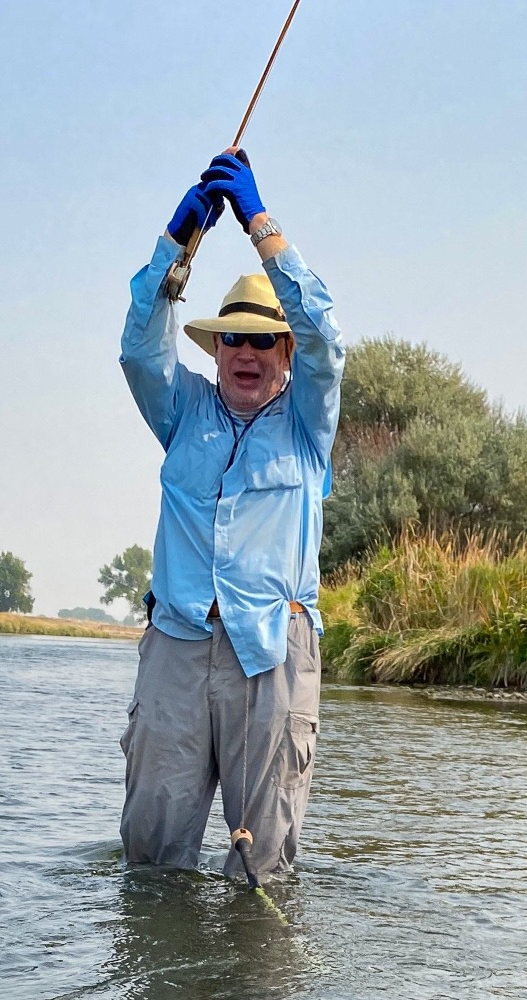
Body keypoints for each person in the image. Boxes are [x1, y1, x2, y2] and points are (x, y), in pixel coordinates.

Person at [118, 149, 344, 886]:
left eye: (263, 339)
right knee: (151, 861)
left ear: (284, 350)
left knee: (261, 868)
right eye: (232, 338)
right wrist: (180, 240)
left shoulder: (308, 425)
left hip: (274, 650)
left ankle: (257, 998)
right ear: (215, 348)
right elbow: (136, 345)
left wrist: (258, 223)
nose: (246, 352)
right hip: (178, 643)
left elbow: (327, 339)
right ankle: (156, 997)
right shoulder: (180, 410)